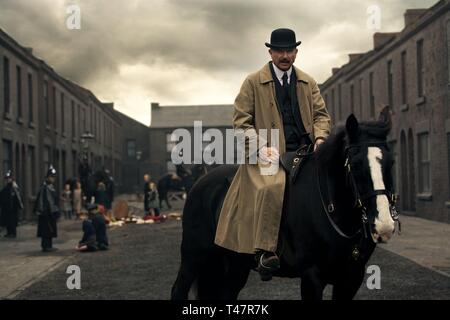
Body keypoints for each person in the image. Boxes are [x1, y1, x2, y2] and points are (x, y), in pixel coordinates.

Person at [214, 28, 331, 280]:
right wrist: (260, 146)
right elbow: (241, 122)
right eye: (280, 51)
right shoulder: (253, 81)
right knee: (272, 187)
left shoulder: (308, 82)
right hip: (268, 154)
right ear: (271, 52)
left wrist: (321, 136)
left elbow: (321, 116)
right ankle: (265, 252)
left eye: (290, 50)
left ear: (296, 53)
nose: (285, 55)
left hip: (306, 151)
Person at [34, 165, 60, 252]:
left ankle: (49, 245)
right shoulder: (44, 188)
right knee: (46, 230)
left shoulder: (51, 187)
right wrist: (43, 211)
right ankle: (46, 245)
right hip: (46, 213)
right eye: (51, 177)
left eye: (54, 177)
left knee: (50, 229)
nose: (53, 179)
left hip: (51, 212)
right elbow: (42, 200)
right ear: (48, 177)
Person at [0, 170, 24, 238]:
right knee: (7, 221)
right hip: (7, 208)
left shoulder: (14, 188)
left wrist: (18, 206)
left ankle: (13, 233)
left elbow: (18, 197)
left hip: (13, 208)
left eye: (9, 178)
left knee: (12, 221)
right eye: (7, 179)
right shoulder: (6, 188)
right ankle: (9, 232)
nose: (8, 180)